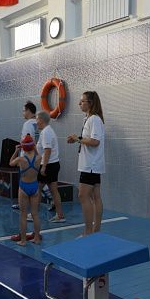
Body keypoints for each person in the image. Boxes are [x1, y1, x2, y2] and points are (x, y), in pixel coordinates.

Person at [67, 91, 105, 236]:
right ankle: (96, 231)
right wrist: (78, 139)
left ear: (91, 103)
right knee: (95, 196)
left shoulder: (94, 119)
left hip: (90, 165)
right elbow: (89, 139)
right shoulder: (89, 119)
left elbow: (95, 141)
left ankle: (88, 232)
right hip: (92, 164)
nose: (79, 103)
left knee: (83, 196)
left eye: (82, 101)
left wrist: (78, 139)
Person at [9, 134, 42, 246]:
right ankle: (37, 238)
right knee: (35, 214)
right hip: (35, 187)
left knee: (23, 215)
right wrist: (34, 147)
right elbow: (37, 153)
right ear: (33, 146)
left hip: (24, 187)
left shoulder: (20, 159)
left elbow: (10, 163)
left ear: (22, 147)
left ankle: (23, 240)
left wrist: (16, 151)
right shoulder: (39, 158)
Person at [36, 111, 65, 222]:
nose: (36, 122)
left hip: (48, 165)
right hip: (53, 164)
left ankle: (34, 214)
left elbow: (47, 150)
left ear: (41, 120)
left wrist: (43, 167)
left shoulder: (46, 132)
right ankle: (60, 215)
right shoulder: (48, 131)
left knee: (37, 189)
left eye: (37, 119)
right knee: (53, 191)